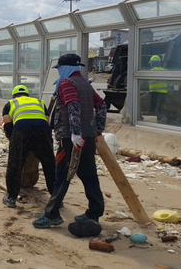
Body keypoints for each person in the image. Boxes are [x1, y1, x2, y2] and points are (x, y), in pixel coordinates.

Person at [32, 53, 106, 237]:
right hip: (87, 138)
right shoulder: (85, 85)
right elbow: (102, 105)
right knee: (89, 175)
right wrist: (97, 129)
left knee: (62, 176)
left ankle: (52, 215)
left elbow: (73, 106)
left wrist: (75, 133)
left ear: (65, 68)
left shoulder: (67, 84)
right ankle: (94, 214)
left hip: (71, 139)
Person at [1, 85, 56, 208]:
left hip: (21, 129)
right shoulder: (39, 102)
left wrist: (14, 140)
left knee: (15, 164)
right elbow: (48, 121)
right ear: (28, 95)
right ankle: (56, 197)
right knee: (49, 164)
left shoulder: (10, 103)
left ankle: (11, 198)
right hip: (42, 129)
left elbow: (8, 124)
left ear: (14, 95)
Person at [148, 55, 168, 123]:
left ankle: (157, 121)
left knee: (154, 108)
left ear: (153, 63)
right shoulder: (165, 71)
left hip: (154, 93)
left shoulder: (152, 71)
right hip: (164, 92)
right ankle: (161, 120)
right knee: (161, 108)